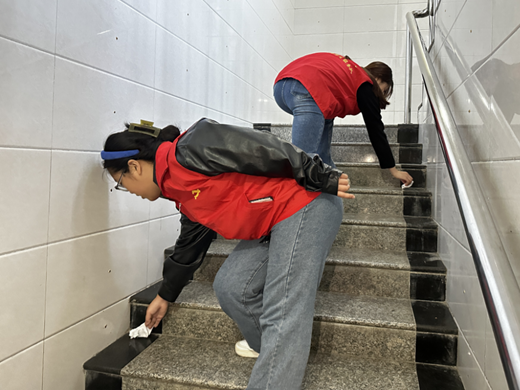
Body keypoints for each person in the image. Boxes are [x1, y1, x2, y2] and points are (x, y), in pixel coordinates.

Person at [101, 118, 354, 390]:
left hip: (307, 201)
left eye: (122, 184)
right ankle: (271, 351)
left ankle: (276, 372)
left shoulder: (189, 147)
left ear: (134, 167)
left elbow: (259, 146)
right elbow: (190, 244)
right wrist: (165, 295)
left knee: (283, 310)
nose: (130, 193)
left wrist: (314, 172)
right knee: (231, 287)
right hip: (272, 221)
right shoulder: (176, 189)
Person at [274, 52, 413, 187]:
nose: (380, 94)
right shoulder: (366, 83)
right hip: (305, 89)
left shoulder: (350, 75)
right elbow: (375, 128)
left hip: (282, 86)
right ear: (378, 79)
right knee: (303, 164)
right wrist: (393, 170)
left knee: (324, 164)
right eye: (384, 90)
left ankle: (327, 203)